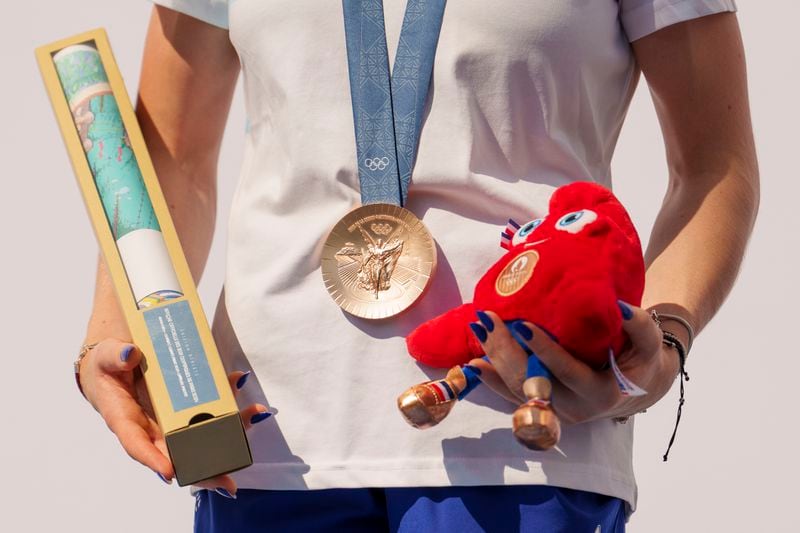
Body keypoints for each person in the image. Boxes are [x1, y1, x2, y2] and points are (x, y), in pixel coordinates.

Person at [75, 0, 759, 531]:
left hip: (523, 437)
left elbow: (713, 165)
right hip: (265, 444)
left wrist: (664, 342)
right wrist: (114, 332)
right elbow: (174, 157)